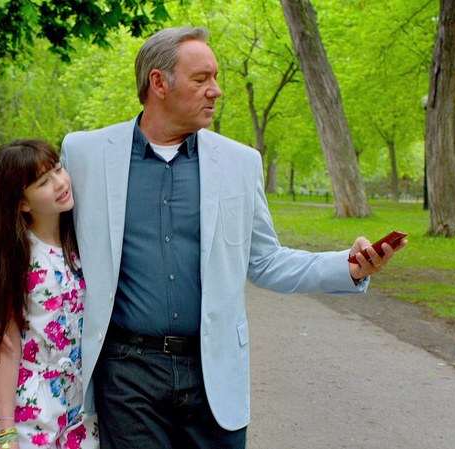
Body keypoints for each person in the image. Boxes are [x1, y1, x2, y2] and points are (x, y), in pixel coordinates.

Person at [59, 26, 406, 448]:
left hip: (214, 373)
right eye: (201, 79)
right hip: (126, 375)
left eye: (216, 77)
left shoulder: (240, 163)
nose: (216, 90)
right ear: (159, 83)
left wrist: (347, 268)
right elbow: (41, 235)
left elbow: (265, 261)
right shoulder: (85, 154)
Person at [0, 139, 98, 449]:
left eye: (58, 170)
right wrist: (6, 429)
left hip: (85, 400)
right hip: (36, 402)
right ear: (22, 203)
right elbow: (6, 348)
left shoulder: (82, 242)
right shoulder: (12, 261)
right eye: (43, 182)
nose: (60, 183)